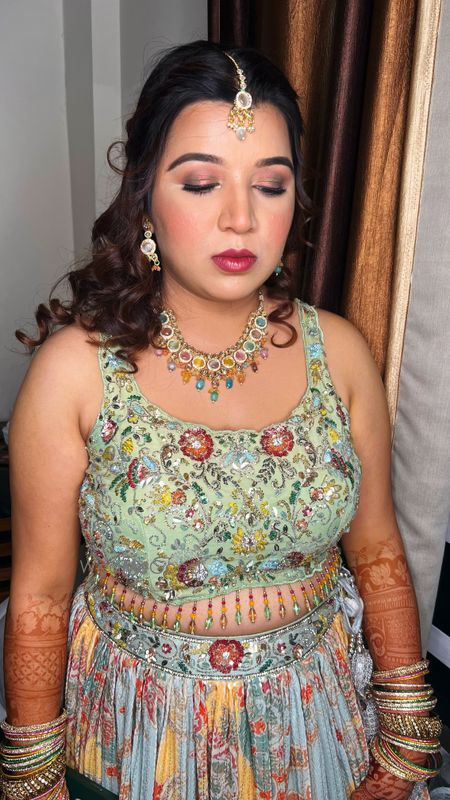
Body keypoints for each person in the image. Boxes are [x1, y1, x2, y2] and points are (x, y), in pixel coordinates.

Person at [1, 40, 441, 800]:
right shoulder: (75, 372)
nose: (241, 219)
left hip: (317, 728)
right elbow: (40, 597)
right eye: (202, 183)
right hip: (137, 736)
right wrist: (35, 781)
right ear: (145, 197)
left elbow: (376, 553)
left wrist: (404, 740)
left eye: (270, 186)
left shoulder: (339, 353)